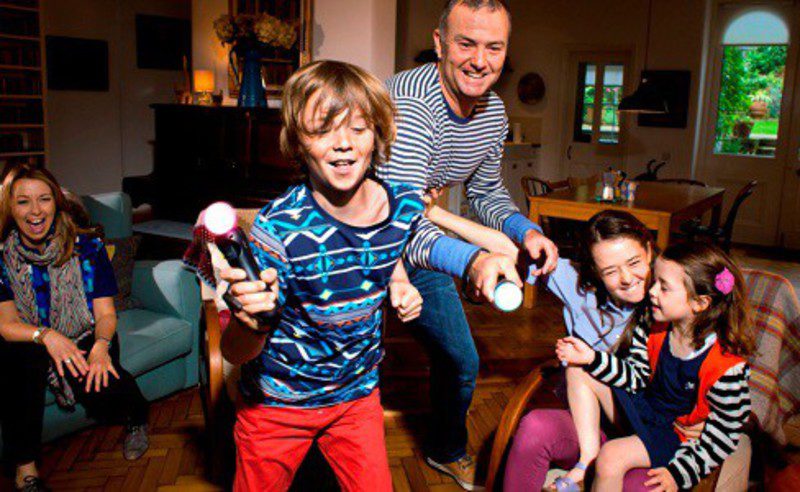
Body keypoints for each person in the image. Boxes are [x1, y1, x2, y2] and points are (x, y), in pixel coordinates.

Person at [214, 60, 521, 492]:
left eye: (358, 129)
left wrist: (470, 263)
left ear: (378, 134)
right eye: (322, 130)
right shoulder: (278, 228)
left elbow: (417, 241)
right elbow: (235, 351)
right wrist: (250, 320)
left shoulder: (399, 203)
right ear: (297, 141)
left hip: (356, 401)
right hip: (279, 406)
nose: (343, 144)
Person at [377, 1, 558, 487]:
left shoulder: (493, 112)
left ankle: (445, 449)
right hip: (359, 242)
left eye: (494, 47)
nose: (480, 60)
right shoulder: (412, 103)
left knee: (461, 359)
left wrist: (526, 231)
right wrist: (472, 260)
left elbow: (486, 191)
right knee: (352, 365)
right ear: (440, 43)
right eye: (466, 43)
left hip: (420, 241)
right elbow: (398, 218)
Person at [503, 211, 709, 491]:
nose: (626, 278)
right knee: (535, 427)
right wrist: (446, 227)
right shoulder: (580, 286)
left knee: (640, 485)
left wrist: (710, 420)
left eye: (634, 262)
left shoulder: (674, 297)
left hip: (650, 435)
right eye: (610, 271)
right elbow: (503, 253)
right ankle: (586, 461)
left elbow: (724, 373)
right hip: (590, 425)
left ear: (649, 251)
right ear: (595, 272)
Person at [556, 242, 753, 491]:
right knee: (577, 368)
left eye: (664, 287)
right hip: (644, 411)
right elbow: (636, 378)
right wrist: (591, 358)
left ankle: (603, 463)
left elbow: (724, 434)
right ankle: (586, 460)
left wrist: (679, 473)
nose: (652, 291)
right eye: (655, 281)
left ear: (699, 303)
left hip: (674, 434)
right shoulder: (653, 326)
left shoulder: (727, 367)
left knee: (612, 456)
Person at [0, 164, 149, 492]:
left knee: (100, 384)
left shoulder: (87, 247)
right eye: (23, 201)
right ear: (10, 207)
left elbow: (106, 314)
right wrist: (46, 335)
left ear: (56, 202)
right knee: (23, 358)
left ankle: (137, 415)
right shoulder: (2, 258)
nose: (35, 211)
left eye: (44, 199)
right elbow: (6, 324)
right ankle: (26, 472)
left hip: (89, 333)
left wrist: (101, 347)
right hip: (31, 339)